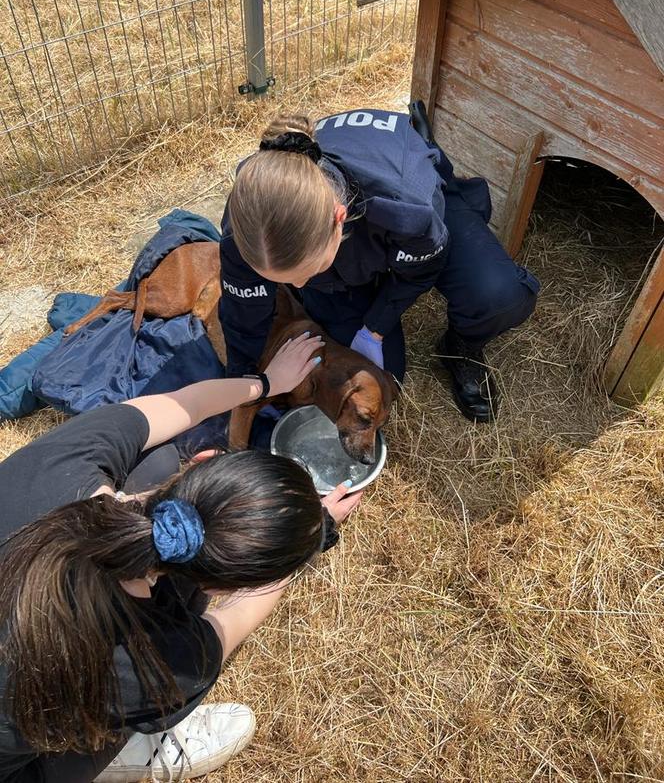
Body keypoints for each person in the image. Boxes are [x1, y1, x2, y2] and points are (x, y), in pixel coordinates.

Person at [0, 332, 363, 783]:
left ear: (202, 460)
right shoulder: (167, 662)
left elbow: (181, 404)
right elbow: (235, 620)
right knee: (112, 717)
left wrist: (265, 383)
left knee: (152, 461)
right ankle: (136, 753)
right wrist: (316, 533)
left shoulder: (64, 460)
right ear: (221, 587)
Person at [219, 107, 540, 423]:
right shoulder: (249, 227)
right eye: (287, 281)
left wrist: (375, 327)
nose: (298, 287)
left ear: (339, 221)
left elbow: (423, 268)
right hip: (340, 249)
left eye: (306, 273)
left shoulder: (405, 206)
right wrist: (251, 387)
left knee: (498, 295)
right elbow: (241, 317)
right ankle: (343, 284)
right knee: (388, 374)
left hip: (408, 207)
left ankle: (462, 345)